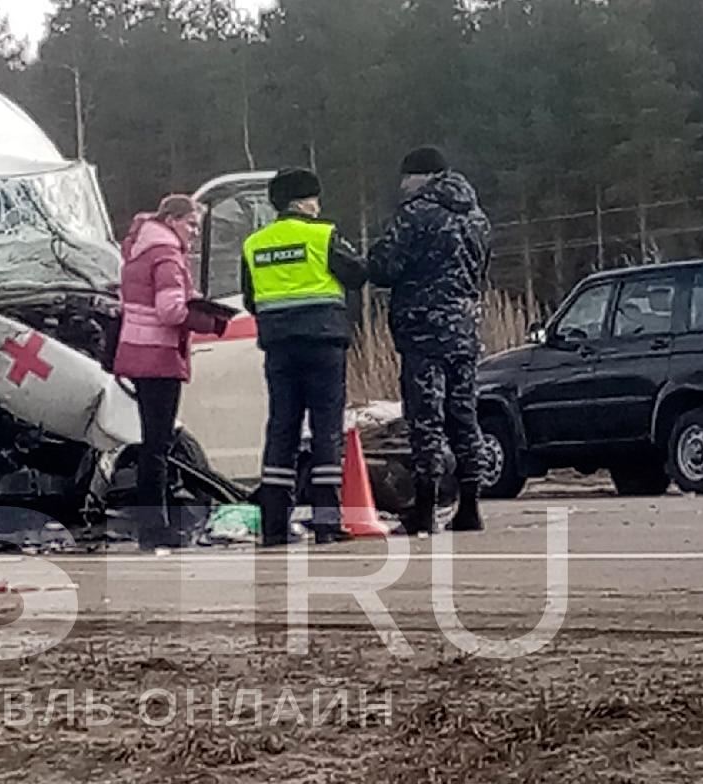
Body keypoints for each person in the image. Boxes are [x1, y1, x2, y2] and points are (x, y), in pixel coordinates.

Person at [366, 147, 492, 536]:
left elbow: (384, 267)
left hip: (424, 332)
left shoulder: (416, 214)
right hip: (465, 330)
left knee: (426, 420)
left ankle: (424, 508)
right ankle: (470, 506)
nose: (402, 187)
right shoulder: (477, 217)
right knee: (464, 416)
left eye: (406, 178)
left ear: (421, 176)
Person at [241, 168, 368, 547]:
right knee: (325, 430)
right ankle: (326, 522)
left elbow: (250, 299)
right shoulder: (322, 234)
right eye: (315, 198)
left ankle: (275, 526)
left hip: (279, 347)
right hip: (323, 343)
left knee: (282, 429)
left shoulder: (254, 244)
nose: (318, 205)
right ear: (303, 201)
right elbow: (358, 273)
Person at [114, 195, 227, 550]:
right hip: (160, 357)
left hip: (136, 352)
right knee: (158, 444)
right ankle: (155, 526)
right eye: (191, 224)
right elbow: (170, 310)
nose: (194, 233)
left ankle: (152, 522)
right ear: (173, 219)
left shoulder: (138, 250)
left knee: (152, 439)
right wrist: (210, 319)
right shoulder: (166, 255)